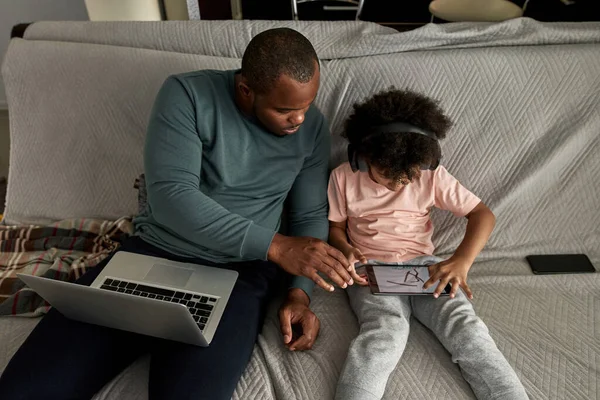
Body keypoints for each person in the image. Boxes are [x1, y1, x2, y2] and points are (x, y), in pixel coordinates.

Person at [0, 28, 355, 400]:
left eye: (306, 105)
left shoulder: (312, 128)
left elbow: (309, 213)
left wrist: (299, 295)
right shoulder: (187, 95)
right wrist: (276, 245)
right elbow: (172, 198)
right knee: (24, 391)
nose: (298, 119)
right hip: (152, 254)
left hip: (241, 273)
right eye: (285, 110)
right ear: (246, 90)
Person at [328, 88, 529, 400]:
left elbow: (482, 214)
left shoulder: (429, 175)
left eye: (409, 175)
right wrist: (345, 248)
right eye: (387, 174)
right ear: (363, 157)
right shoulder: (343, 177)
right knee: (386, 334)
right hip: (369, 269)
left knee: (467, 329)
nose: (400, 182)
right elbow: (336, 228)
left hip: (426, 267)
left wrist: (461, 261)